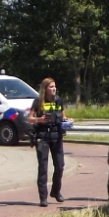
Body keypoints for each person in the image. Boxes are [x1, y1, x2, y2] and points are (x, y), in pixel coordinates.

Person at [28, 77, 70, 207]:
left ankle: (56, 191)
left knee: (60, 166)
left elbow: (63, 116)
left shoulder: (58, 100)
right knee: (43, 168)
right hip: (42, 137)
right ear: (45, 89)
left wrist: (68, 121)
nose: (54, 89)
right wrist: (40, 120)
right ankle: (43, 197)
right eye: (51, 87)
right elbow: (29, 118)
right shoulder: (38, 101)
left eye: (55, 86)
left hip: (56, 136)